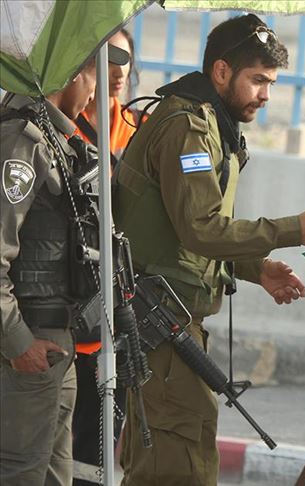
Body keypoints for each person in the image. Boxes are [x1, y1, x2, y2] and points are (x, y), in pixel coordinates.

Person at [113, 14, 305, 485]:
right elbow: (200, 228)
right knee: (177, 465)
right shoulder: (188, 127)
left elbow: (187, 229)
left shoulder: (211, 122)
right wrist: (291, 229)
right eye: (257, 80)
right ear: (221, 72)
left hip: (172, 320)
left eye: (271, 83)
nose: (265, 95)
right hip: (160, 322)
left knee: (174, 452)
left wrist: (256, 268)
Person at [1, 45, 130, 486]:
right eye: (93, 77)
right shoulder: (23, 140)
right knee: (21, 473)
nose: (95, 92)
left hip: (57, 339)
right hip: (27, 339)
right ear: (72, 75)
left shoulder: (59, 139)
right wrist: (18, 343)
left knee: (56, 474)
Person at [71, 29, 137, 486]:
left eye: (125, 59)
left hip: (120, 319)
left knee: (101, 458)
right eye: (106, 57)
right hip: (67, 321)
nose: (117, 71)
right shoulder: (61, 130)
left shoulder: (140, 133)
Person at [74, 28, 140, 164]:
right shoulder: (66, 126)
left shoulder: (141, 125)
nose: (120, 73)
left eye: (125, 60)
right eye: (110, 61)